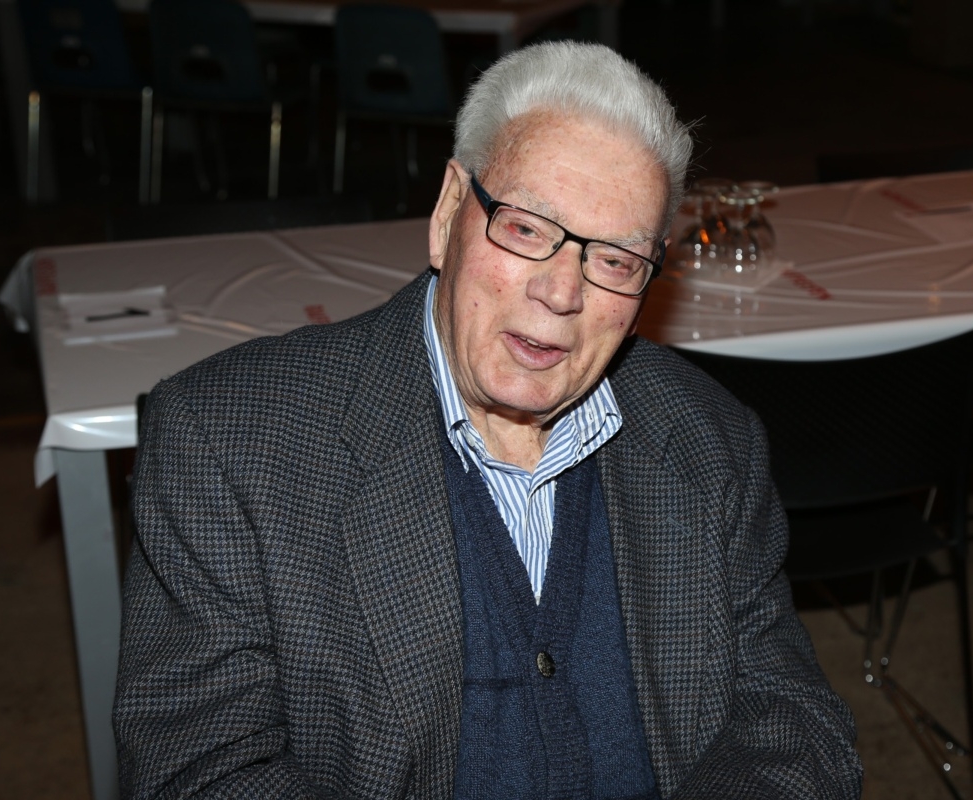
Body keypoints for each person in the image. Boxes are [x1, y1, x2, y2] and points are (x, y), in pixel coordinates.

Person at [114, 41, 862, 799]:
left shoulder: (711, 440)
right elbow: (200, 772)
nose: (561, 292)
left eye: (615, 260)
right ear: (448, 214)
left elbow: (792, 719)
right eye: (527, 228)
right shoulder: (230, 441)